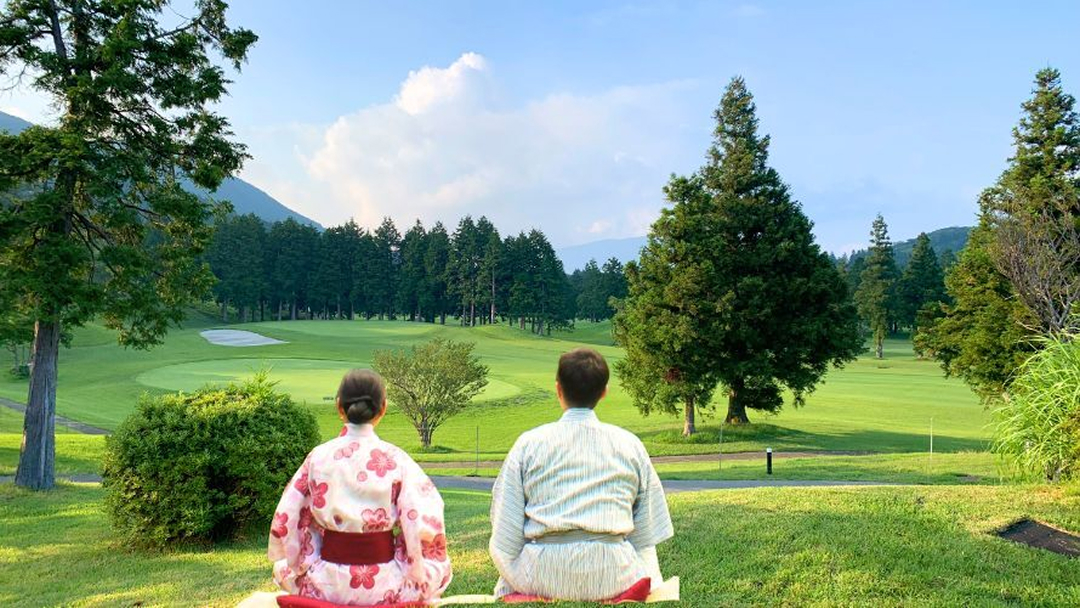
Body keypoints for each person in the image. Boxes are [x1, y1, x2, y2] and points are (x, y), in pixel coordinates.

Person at [488, 348, 674, 601]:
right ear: (604, 391)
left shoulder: (529, 444)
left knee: (506, 578)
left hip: (542, 573)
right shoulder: (629, 444)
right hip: (615, 574)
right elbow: (645, 534)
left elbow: (505, 536)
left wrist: (518, 576)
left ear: (558, 389)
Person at [267, 369, 452, 606]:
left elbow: (288, 517)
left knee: (283, 569)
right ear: (383, 408)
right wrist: (410, 562)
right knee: (437, 572)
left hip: (326, 583)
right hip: (384, 584)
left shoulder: (318, 457)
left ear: (339, 406)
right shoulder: (397, 459)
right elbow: (423, 517)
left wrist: (307, 559)